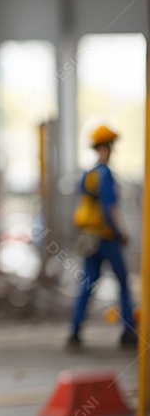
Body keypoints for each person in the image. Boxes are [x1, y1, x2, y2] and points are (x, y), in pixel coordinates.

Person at [69, 124, 137, 350]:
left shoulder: (88, 174)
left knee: (87, 284)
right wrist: (121, 232)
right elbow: (110, 208)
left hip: (90, 239)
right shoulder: (105, 174)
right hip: (107, 239)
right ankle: (128, 332)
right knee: (123, 283)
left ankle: (74, 333)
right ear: (107, 148)